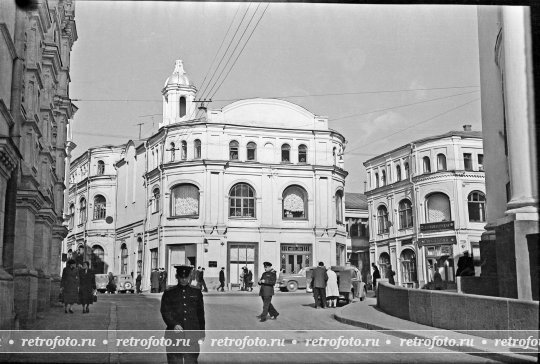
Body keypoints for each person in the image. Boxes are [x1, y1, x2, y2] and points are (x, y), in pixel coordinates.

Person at [161, 265, 205, 364]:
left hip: (192, 334)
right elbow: (165, 311)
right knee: (174, 361)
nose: (184, 280)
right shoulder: (169, 293)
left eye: (186, 277)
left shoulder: (196, 292)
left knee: (192, 361)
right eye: (181, 277)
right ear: (177, 277)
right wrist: (173, 324)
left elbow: (200, 314)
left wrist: (202, 333)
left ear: (190, 277)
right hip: (174, 335)